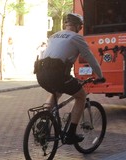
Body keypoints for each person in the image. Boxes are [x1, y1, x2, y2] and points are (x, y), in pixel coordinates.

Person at [35, 13, 105, 144]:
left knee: (56, 92)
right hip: (57, 74)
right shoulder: (76, 37)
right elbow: (91, 58)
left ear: (65, 24)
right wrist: (101, 76)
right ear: (78, 26)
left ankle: (44, 121)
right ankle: (71, 134)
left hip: (41, 74)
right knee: (81, 96)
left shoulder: (53, 35)